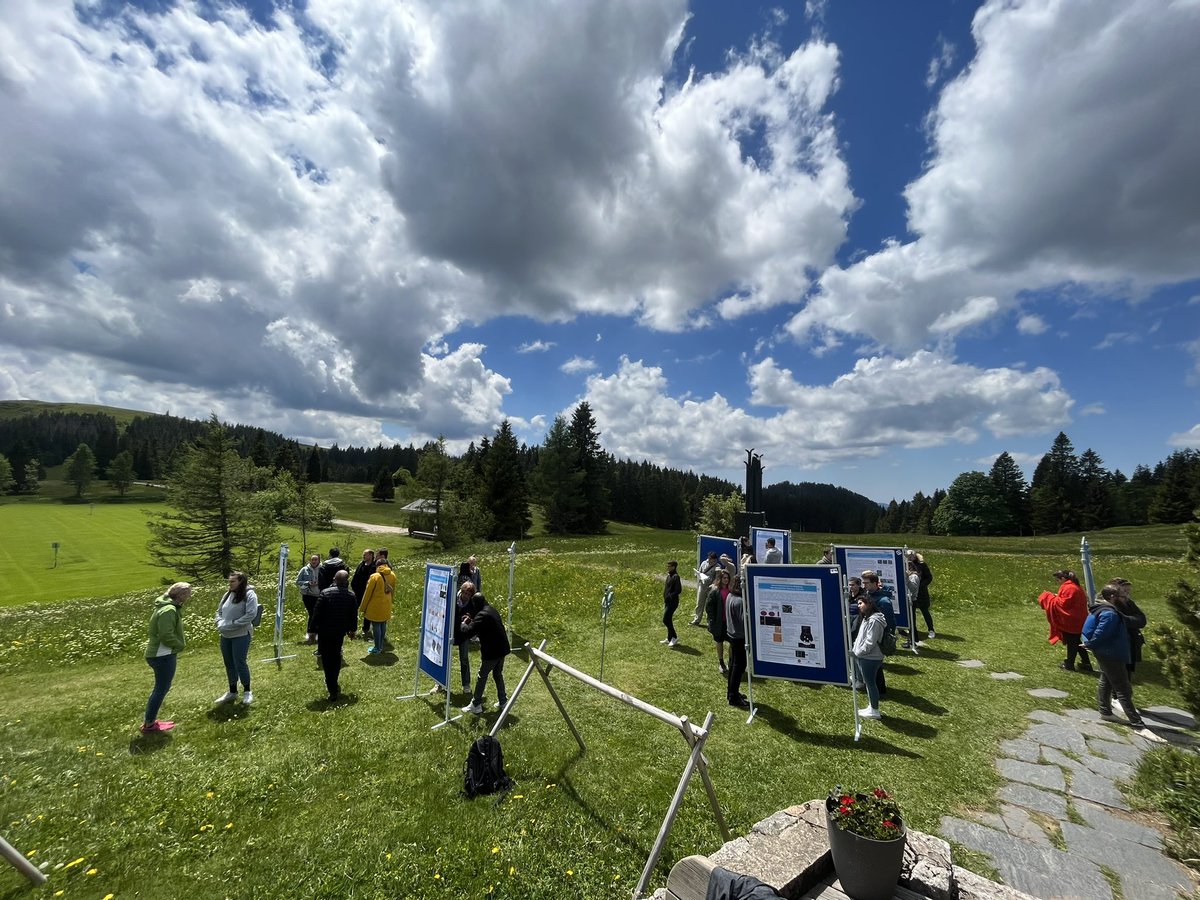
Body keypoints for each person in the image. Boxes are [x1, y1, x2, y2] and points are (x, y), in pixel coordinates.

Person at [1082, 584, 1147, 729]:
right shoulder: (1110, 613)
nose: (1126, 599)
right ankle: (1137, 723)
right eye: (1123, 597)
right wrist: (1092, 643)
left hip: (1108, 652)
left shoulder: (1104, 609)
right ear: (1112, 597)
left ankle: (1105, 711)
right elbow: (1102, 632)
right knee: (1123, 688)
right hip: (1111, 653)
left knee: (1106, 681)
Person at [141, 582, 191, 733]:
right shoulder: (169, 610)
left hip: (161, 654)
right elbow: (165, 634)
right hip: (162, 655)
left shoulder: (166, 606)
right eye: (188, 593)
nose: (190, 596)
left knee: (161, 687)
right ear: (181, 595)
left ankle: (150, 721)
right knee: (161, 688)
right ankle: (149, 724)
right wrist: (179, 645)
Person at [460, 587, 511, 714]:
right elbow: (482, 625)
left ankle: (476, 704)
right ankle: (503, 701)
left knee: (482, 676)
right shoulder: (491, 610)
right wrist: (472, 621)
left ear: (476, 604)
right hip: (502, 649)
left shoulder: (482, 615)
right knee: (497, 674)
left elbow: (468, 632)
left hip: (492, 652)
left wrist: (463, 624)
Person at [312, 569, 358, 700]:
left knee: (326, 658)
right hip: (339, 632)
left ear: (334, 580)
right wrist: (352, 630)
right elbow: (353, 616)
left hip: (324, 631)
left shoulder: (325, 593)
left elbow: (317, 613)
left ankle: (331, 685)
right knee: (336, 656)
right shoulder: (351, 595)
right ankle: (334, 682)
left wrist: (312, 630)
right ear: (347, 581)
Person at [214, 571, 259, 705]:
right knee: (229, 663)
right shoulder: (227, 594)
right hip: (225, 635)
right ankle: (232, 691)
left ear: (241, 581)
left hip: (241, 634)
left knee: (240, 662)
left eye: (233, 581)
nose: (230, 584)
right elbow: (219, 611)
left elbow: (251, 614)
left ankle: (247, 691)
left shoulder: (249, 594)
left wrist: (233, 624)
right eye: (229, 581)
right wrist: (219, 623)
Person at [1036, 570, 1093, 672]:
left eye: (1058, 580)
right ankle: (1086, 663)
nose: (1057, 582)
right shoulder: (1075, 586)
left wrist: (1048, 597)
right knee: (1076, 641)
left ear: (1063, 578)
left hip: (1072, 620)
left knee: (1072, 642)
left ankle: (1069, 664)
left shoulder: (1069, 587)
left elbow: (1063, 604)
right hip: (1079, 619)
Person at [852, 593, 887, 719]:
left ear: (869, 604)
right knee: (869, 683)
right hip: (866, 656)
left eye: (861, 603)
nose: (859, 606)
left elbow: (870, 642)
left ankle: (874, 710)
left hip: (870, 657)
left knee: (870, 683)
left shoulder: (874, 620)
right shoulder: (867, 618)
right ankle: (872, 706)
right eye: (858, 603)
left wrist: (859, 652)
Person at [861, 571, 894, 697]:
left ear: (875, 583)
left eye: (866, 583)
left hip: (878, 636)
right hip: (867, 632)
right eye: (863, 583)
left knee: (875, 662)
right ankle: (875, 686)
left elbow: (890, 622)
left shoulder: (884, 601)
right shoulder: (867, 595)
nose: (864, 586)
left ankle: (879, 688)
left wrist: (885, 636)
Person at [360, 554, 396, 653]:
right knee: (383, 623)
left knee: (375, 625)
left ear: (377, 566)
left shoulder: (374, 576)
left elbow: (368, 593)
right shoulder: (392, 575)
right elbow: (392, 590)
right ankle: (381, 645)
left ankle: (377, 647)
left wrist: (363, 607)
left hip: (375, 605)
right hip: (386, 603)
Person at [1111, 578, 1147, 676]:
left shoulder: (1128, 602)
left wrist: (1126, 619)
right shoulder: (1110, 605)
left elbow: (1142, 619)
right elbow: (1116, 620)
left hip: (1131, 642)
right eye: (1125, 592)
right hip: (1119, 645)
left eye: (1128, 592)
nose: (1127, 595)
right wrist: (1131, 620)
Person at [725, 579, 749, 708]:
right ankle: (733, 697)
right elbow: (745, 621)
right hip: (739, 637)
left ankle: (731, 692)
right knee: (739, 667)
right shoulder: (740, 601)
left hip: (732, 634)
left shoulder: (730, 595)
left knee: (733, 664)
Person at [706, 570, 733, 675]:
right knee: (719, 641)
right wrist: (712, 619)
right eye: (724, 578)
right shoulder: (715, 591)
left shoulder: (731, 591)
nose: (726, 580)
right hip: (719, 622)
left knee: (732, 642)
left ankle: (731, 662)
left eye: (727, 578)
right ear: (720, 579)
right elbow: (709, 607)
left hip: (730, 622)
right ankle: (721, 662)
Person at [454, 578, 478, 693]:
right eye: (464, 592)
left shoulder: (472, 603)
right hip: (451, 631)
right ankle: (439, 684)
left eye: (469, 594)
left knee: (464, 659)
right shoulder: (453, 598)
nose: (466, 596)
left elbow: (474, 616)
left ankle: (466, 684)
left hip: (463, 634)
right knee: (444, 659)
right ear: (461, 591)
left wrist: (469, 619)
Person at [906, 550, 935, 641]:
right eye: (908, 556)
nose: (910, 557)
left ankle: (931, 630)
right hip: (911, 593)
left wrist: (920, 585)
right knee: (911, 613)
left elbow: (929, 577)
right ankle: (912, 631)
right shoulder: (906, 565)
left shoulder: (922, 565)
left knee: (925, 610)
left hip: (922, 592)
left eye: (912, 555)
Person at [295, 552, 322, 643]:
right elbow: (298, 581)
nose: (314, 561)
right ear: (310, 560)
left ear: (319, 560)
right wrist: (308, 583)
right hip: (308, 595)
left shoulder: (322, 569)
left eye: (316, 559)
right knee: (312, 614)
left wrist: (320, 583)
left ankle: (315, 633)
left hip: (320, 595)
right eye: (312, 559)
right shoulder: (304, 569)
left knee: (318, 615)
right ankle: (310, 633)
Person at [351, 549, 377, 638]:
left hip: (369, 593)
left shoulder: (374, 566)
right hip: (358, 592)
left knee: (367, 612)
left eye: (365, 554)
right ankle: (352, 629)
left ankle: (366, 629)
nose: (363, 556)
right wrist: (354, 587)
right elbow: (355, 577)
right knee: (354, 609)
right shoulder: (361, 564)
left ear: (371, 555)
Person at [690, 551, 720, 626]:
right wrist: (698, 575)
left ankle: (709, 621)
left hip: (710, 587)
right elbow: (699, 572)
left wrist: (712, 584)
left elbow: (717, 578)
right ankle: (696, 620)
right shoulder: (704, 563)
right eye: (710, 559)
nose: (710, 561)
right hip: (702, 585)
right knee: (699, 603)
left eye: (712, 559)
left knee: (709, 605)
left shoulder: (717, 566)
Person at [660, 560, 682, 647]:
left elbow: (678, 590)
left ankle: (674, 637)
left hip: (672, 602)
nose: (668, 568)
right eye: (667, 566)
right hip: (667, 601)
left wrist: (670, 596)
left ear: (674, 567)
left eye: (669, 566)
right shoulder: (669, 575)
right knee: (668, 619)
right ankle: (669, 638)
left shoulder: (676, 577)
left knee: (665, 619)